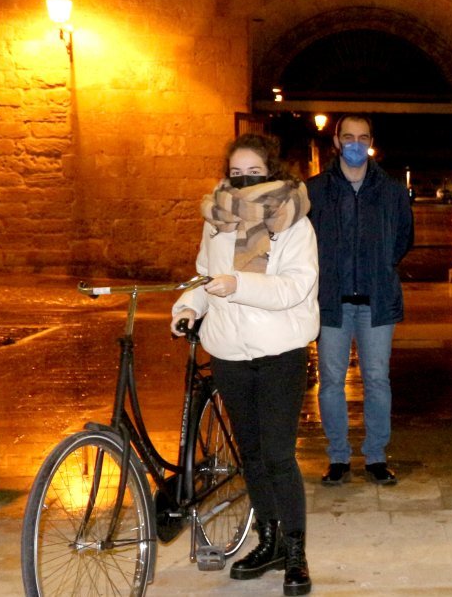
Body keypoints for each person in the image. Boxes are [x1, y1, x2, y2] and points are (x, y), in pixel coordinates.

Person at [171, 133, 317, 596]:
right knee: (250, 454)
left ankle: (296, 553)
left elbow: (295, 287)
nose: (244, 179)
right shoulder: (216, 219)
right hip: (229, 352)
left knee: (278, 455)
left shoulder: (294, 222)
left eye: (255, 172)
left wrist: (237, 285)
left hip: (279, 353)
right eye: (237, 171)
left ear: (272, 171)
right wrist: (189, 306)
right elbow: (202, 272)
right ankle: (269, 541)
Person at [307, 114, 414, 487]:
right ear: (336, 141)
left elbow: (403, 238)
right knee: (332, 380)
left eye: (362, 137)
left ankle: (375, 457)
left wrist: (380, 265)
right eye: (348, 136)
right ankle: (338, 457)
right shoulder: (316, 190)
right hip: (332, 301)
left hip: (377, 300)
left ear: (370, 142)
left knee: (377, 379)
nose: (355, 143)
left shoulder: (391, 191)